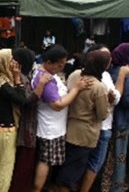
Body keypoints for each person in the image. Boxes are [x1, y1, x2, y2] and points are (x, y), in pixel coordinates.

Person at [32, 45, 91, 192]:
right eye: (60, 64)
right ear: (49, 62)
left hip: (54, 127)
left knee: (49, 161)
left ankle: (44, 186)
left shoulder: (48, 75)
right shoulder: (46, 79)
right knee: (45, 161)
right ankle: (37, 189)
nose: (62, 66)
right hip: (50, 128)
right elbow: (57, 105)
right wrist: (76, 89)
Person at [55, 50, 110, 191]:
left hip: (69, 127)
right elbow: (102, 114)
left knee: (66, 167)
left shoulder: (75, 76)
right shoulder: (98, 87)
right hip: (86, 135)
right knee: (71, 175)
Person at [80, 44, 128, 192]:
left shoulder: (83, 74)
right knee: (97, 162)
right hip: (107, 125)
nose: (109, 59)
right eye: (105, 57)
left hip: (90, 125)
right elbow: (118, 100)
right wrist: (122, 75)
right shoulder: (110, 75)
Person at [0, 49, 28, 191]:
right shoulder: (3, 84)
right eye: (11, 60)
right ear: (3, 63)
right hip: (6, 131)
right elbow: (22, 100)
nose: (14, 63)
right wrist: (17, 79)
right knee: (5, 166)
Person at [9, 48, 52, 192]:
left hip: (27, 125)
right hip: (26, 127)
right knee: (23, 165)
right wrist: (41, 85)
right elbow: (28, 101)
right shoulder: (20, 77)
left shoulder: (24, 75)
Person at [101, 43, 129, 191]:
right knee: (119, 157)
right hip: (122, 122)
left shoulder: (111, 71)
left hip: (114, 121)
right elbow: (126, 99)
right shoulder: (124, 72)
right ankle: (116, 187)